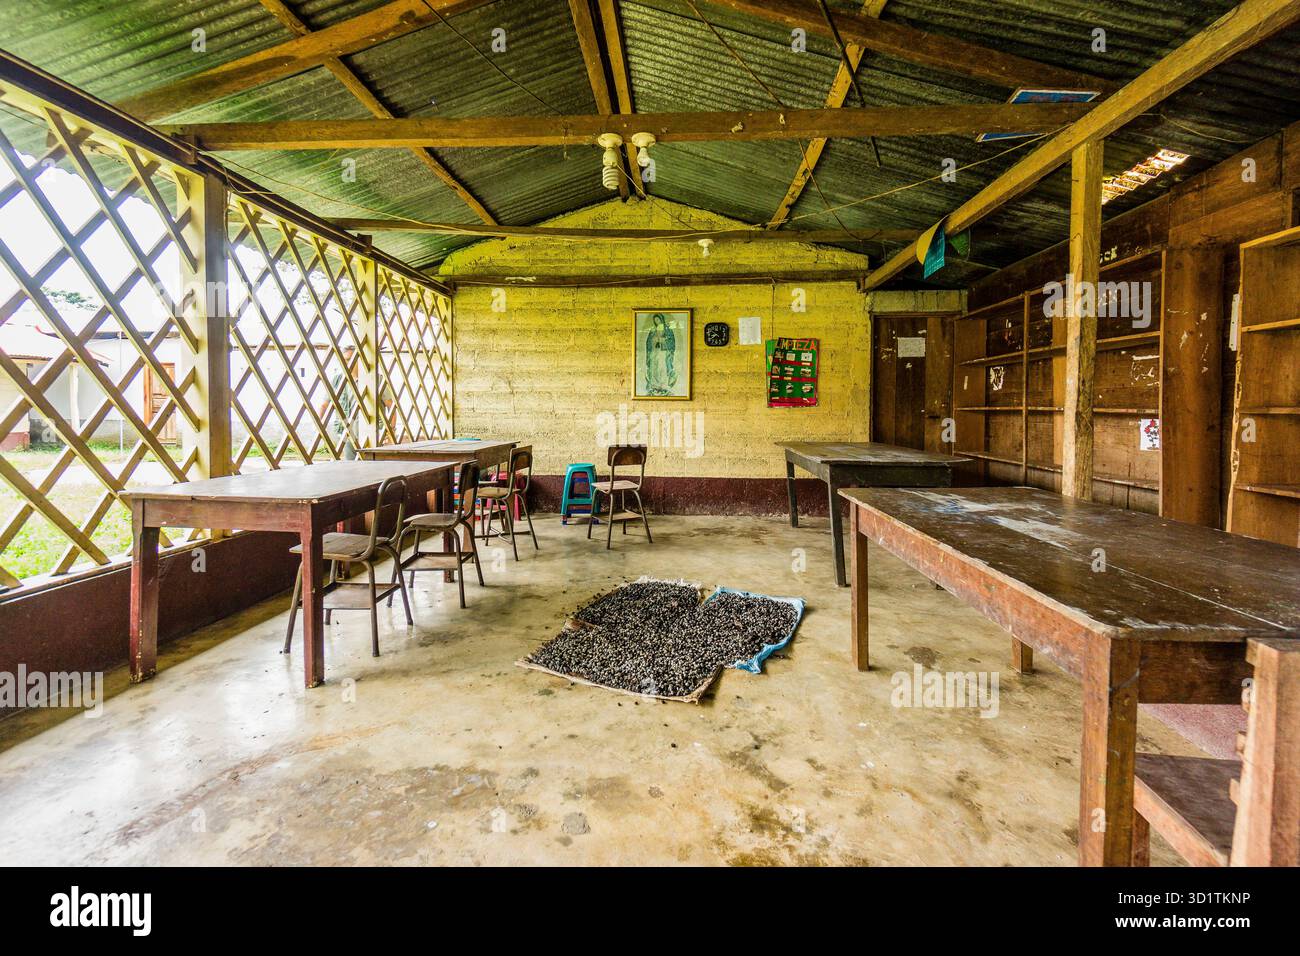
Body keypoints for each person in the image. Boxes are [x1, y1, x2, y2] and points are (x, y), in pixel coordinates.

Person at [644, 313, 677, 395]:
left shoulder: (668, 329)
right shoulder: (653, 330)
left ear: (661, 319)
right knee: (654, 367)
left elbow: (671, 341)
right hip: (655, 351)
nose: (657, 321)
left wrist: (662, 340)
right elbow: (649, 341)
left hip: (663, 352)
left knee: (662, 367)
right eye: (655, 320)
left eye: (658, 319)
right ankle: (655, 385)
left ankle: (663, 385)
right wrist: (654, 339)